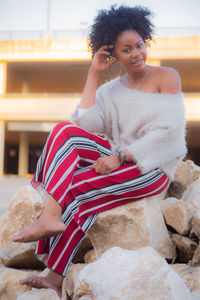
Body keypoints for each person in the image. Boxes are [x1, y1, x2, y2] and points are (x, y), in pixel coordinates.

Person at [13, 5, 187, 298]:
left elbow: (167, 134)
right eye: (126, 49)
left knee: (79, 187)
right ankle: (51, 216)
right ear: (113, 55)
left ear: (147, 41)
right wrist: (94, 72)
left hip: (150, 166)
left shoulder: (166, 76)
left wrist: (119, 157)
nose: (137, 53)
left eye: (140, 45)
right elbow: (84, 122)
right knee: (62, 131)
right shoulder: (112, 88)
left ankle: (55, 274)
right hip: (116, 152)